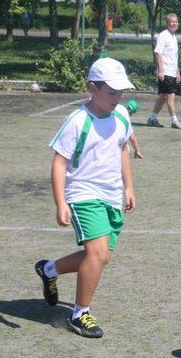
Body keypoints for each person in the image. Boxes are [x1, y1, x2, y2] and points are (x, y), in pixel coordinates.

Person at [35, 57, 136, 338]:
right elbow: (59, 163)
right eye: (111, 92)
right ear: (93, 88)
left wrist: (128, 187)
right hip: (83, 194)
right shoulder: (78, 121)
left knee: (101, 257)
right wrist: (61, 202)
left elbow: (122, 150)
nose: (118, 98)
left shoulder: (122, 115)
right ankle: (80, 314)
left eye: (121, 92)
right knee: (97, 253)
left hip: (112, 194)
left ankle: (50, 269)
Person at [147, 13, 181, 129]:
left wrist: (177, 72)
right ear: (167, 23)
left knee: (164, 96)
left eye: (176, 22)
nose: (175, 24)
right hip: (165, 72)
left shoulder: (174, 37)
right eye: (172, 22)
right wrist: (161, 71)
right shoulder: (163, 36)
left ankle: (152, 118)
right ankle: (174, 121)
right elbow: (158, 53)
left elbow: (174, 56)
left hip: (172, 72)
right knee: (170, 97)